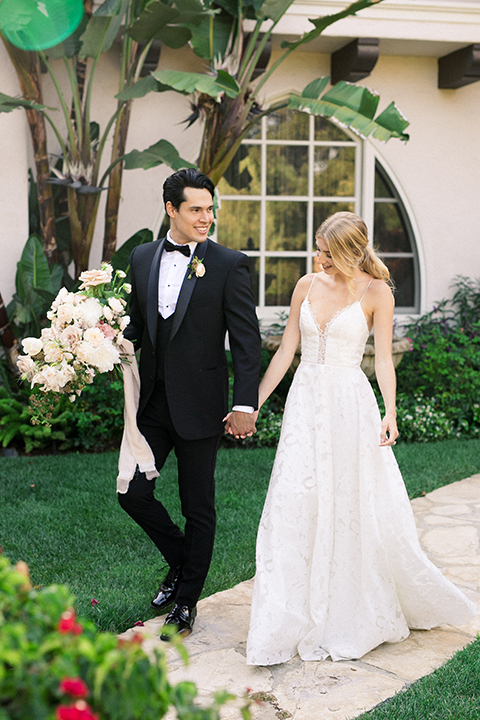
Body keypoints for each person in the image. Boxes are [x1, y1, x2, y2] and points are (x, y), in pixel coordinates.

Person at [239, 211, 475, 665]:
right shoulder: (306, 286)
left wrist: (390, 410)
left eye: (327, 253)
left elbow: (383, 358)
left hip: (351, 405)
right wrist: (252, 404)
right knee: (294, 499)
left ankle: (348, 606)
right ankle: (290, 610)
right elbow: (288, 349)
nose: (318, 258)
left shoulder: (377, 292)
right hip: (306, 406)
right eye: (318, 250)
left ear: (350, 252)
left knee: (352, 502)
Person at [119, 168, 261, 641]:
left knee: (197, 505)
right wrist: (101, 342)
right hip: (153, 404)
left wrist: (246, 402)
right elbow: (139, 325)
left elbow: (246, 342)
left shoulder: (228, 264)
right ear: (171, 211)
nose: (207, 218)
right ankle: (183, 562)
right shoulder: (142, 257)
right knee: (132, 493)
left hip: (202, 406)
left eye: (210, 208)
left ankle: (185, 602)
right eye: (197, 209)